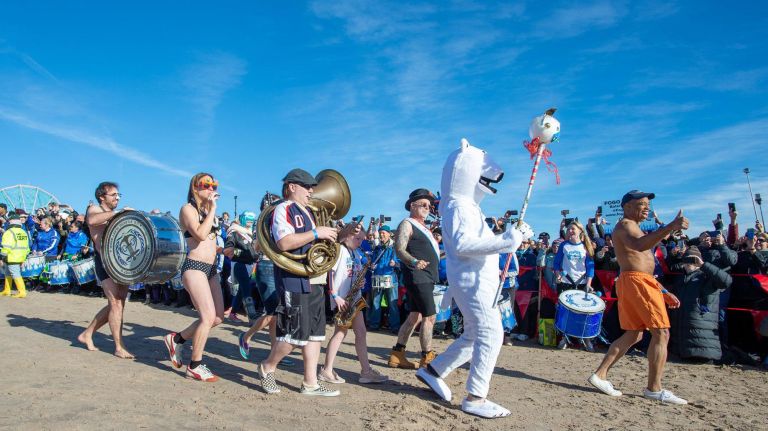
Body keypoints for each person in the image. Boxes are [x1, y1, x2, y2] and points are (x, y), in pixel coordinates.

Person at [416, 139, 530, 418]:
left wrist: (515, 236)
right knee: (491, 333)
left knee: (473, 334)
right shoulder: (458, 207)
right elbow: (462, 245)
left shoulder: (467, 206)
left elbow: (482, 242)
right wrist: (505, 241)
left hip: (479, 281)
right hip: (471, 282)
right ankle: (476, 398)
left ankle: (434, 370)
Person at [589, 190, 689, 405]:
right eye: (641, 204)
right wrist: (671, 226)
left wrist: (661, 290)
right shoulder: (626, 225)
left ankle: (600, 375)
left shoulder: (634, 228)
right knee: (661, 332)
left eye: (648, 204)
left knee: (634, 334)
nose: (647, 208)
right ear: (627, 207)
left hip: (638, 281)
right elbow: (639, 247)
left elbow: (642, 264)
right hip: (636, 281)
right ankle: (654, 389)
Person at [257, 168, 340, 396]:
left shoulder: (310, 211)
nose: (312, 191)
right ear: (292, 187)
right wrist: (316, 233)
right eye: (307, 186)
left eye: (312, 187)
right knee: (294, 335)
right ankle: (268, 367)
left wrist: (339, 235)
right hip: (294, 279)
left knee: (315, 334)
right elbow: (284, 243)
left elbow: (317, 242)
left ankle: (310, 382)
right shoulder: (283, 209)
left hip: (315, 279)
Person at [163, 173, 225, 382]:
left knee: (217, 317)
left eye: (213, 185)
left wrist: (224, 249)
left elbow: (208, 240)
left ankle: (177, 339)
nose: (211, 188)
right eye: (206, 185)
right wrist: (214, 209)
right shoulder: (187, 209)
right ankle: (195, 366)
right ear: (195, 187)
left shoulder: (208, 211)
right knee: (207, 317)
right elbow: (198, 234)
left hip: (211, 268)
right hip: (194, 266)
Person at [319, 222, 388, 385]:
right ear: (348, 235)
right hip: (343, 299)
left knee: (361, 332)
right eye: (358, 239)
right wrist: (335, 295)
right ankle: (326, 370)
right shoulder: (340, 250)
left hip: (354, 298)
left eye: (362, 239)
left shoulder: (356, 252)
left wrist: (361, 281)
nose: (360, 242)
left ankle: (366, 371)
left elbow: (355, 272)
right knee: (340, 333)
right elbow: (329, 275)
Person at [77, 182, 135, 358]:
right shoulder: (94, 209)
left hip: (121, 263)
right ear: (102, 197)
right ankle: (119, 347)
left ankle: (87, 334)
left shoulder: (113, 213)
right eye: (113, 195)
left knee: (118, 302)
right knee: (115, 303)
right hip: (104, 261)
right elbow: (92, 221)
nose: (117, 197)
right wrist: (119, 213)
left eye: (119, 195)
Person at [388, 188, 441, 369]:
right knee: (430, 317)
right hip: (418, 277)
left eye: (430, 206)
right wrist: (414, 261)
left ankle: (397, 353)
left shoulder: (425, 228)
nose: (428, 208)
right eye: (424, 204)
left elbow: (432, 254)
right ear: (412, 205)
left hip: (424, 277)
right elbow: (399, 249)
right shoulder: (407, 223)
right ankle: (427, 358)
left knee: (414, 317)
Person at [235, 193, 289, 365]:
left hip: (278, 267)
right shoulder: (262, 222)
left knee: (275, 316)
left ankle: (275, 353)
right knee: (273, 311)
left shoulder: (278, 221)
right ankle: (246, 336)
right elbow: (256, 247)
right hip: (266, 267)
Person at [668, 246, 732, 363]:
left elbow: (726, 281)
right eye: (686, 260)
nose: (689, 263)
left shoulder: (707, 276)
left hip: (704, 346)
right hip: (680, 349)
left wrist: (703, 265)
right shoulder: (680, 279)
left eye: (692, 260)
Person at [553, 220, 596, 351]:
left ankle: (586, 339)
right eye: (569, 229)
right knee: (565, 312)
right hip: (566, 282)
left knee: (584, 312)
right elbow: (556, 263)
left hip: (582, 283)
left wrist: (588, 284)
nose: (570, 231)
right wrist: (558, 274)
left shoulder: (586, 246)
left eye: (573, 229)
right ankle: (564, 339)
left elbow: (590, 267)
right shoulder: (564, 245)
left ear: (580, 231)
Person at [367, 225, 400, 333]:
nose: (381, 235)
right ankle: (374, 324)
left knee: (392, 303)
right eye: (380, 233)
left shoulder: (396, 247)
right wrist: (372, 265)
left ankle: (395, 326)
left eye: (383, 233)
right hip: (378, 276)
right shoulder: (377, 248)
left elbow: (402, 262)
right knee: (376, 302)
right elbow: (373, 261)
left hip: (390, 277)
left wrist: (396, 263)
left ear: (389, 234)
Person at [1, 213, 30, 298]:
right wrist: (24, 257)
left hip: (11, 256)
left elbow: (6, 246)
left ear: (10, 222)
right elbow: (27, 246)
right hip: (20, 256)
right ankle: (7, 290)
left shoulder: (9, 232)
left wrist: (1, 256)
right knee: (8, 273)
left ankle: (22, 292)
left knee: (15, 274)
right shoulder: (23, 232)